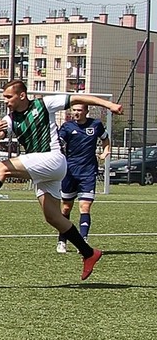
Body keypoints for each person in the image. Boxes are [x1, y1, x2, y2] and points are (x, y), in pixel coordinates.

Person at [0, 81, 123, 280]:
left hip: (52, 158)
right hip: (44, 167)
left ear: (22, 95)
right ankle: (89, 253)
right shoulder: (10, 118)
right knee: (53, 217)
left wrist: (109, 105)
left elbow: (79, 98)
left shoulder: (44, 104)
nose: (6, 101)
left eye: (8, 97)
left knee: (2, 167)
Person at [56, 101, 110, 253]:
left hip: (88, 172)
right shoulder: (67, 127)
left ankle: (83, 240)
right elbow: (59, 143)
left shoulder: (96, 125)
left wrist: (106, 151)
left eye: (79, 110)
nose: (76, 113)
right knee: (66, 207)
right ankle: (62, 240)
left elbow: (105, 138)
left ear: (86, 111)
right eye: (74, 110)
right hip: (70, 172)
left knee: (85, 206)